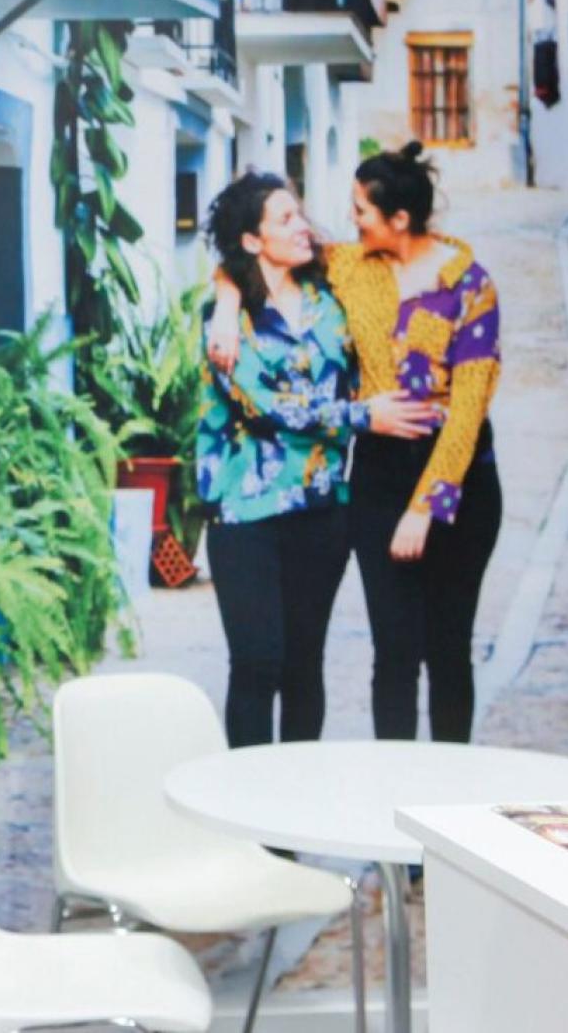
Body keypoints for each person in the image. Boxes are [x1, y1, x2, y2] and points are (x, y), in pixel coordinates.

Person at [211, 142, 504, 744]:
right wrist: (225, 301)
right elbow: (248, 254)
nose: (349, 220)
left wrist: (425, 508)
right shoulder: (350, 266)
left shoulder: (470, 286)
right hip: (379, 474)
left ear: (399, 219)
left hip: (459, 480)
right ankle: (391, 791)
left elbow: (469, 410)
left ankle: (450, 793)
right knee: (394, 652)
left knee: (449, 650)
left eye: (361, 210)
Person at [195, 172, 434, 749]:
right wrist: (365, 416)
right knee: (257, 662)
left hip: (321, 512)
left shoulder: (331, 299)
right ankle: (250, 802)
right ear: (252, 240)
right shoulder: (227, 320)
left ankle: (295, 801)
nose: (302, 225)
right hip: (245, 514)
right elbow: (263, 405)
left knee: (305, 667)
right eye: (285, 219)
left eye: (299, 213)